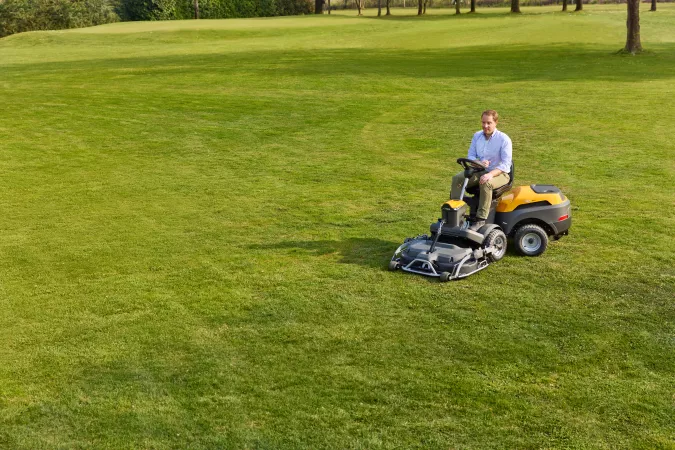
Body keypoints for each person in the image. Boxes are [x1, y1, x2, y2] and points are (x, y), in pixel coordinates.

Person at [450, 110, 512, 231]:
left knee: (486, 182)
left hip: (500, 173)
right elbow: (471, 155)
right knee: (457, 178)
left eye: (489, 123)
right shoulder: (477, 136)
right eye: (483, 122)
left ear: (496, 123)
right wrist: (478, 163)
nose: (485, 126)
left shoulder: (504, 139)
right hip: (480, 169)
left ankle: (481, 219)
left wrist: (490, 174)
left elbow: (505, 165)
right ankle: (454, 212)